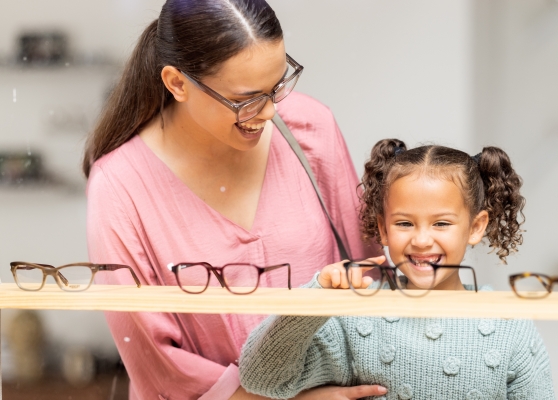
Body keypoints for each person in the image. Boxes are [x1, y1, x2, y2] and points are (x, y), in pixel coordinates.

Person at [84, 1, 387, 399]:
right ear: (177, 83)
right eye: (245, 99)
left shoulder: (310, 128)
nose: (269, 112)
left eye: (277, 86)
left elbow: (368, 272)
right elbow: (152, 359)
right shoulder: (120, 184)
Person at [239, 139, 556, 399]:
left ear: (475, 227)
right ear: (384, 229)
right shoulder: (357, 317)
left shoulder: (510, 325)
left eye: (441, 223)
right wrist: (314, 300)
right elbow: (261, 379)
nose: (420, 240)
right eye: (404, 223)